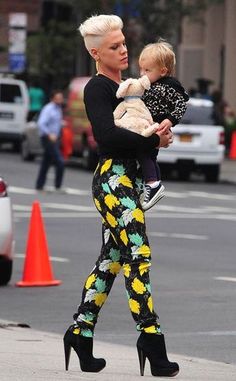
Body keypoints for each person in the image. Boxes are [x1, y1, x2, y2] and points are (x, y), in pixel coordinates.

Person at [63, 14, 179, 377]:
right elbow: (108, 138)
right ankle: (151, 339)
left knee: (111, 261)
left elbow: (142, 130)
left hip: (129, 181)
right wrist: (150, 139)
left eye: (124, 42)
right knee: (138, 252)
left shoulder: (132, 86)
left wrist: (161, 130)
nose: (124, 49)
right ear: (97, 53)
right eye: (115, 46)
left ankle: (80, 333)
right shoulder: (97, 88)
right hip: (112, 182)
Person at [138, 40, 189, 210]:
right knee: (151, 156)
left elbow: (181, 104)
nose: (142, 74)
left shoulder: (169, 86)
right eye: (141, 69)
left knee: (144, 153)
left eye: (147, 70)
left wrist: (170, 120)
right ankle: (155, 182)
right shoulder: (150, 84)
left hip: (156, 125)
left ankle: (152, 184)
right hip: (149, 124)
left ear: (163, 71)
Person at [35, 90, 65, 191]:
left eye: (61, 98)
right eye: (58, 98)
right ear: (52, 99)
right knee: (60, 162)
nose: (60, 100)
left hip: (55, 139)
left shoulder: (58, 109)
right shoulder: (48, 109)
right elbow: (41, 123)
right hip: (48, 139)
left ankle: (39, 185)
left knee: (46, 162)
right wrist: (49, 134)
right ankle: (58, 186)